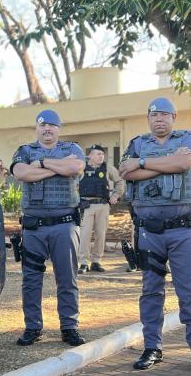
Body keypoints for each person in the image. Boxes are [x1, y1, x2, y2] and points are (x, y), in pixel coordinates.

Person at [118, 97, 191, 376]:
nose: (159, 119)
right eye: (154, 115)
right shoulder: (137, 143)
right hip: (149, 232)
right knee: (151, 291)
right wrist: (163, 162)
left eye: (164, 114)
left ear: (174, 117)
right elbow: (125, 169)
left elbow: (187, 163)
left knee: (189, 292)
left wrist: (144, 165)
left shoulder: (188, 138)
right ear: (148, 118)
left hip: (182, 230)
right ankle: (152, 347)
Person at [11, 109, 87, 347]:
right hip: (34, 228)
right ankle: (33, 327)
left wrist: (42, 164)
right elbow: (21, 173)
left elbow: (75, 168)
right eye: (43, 126)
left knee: (67, 279)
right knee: (31, 280)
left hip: (64, 226)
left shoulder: (72, 149)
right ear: (37, 128)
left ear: (58, 128)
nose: (47, 129)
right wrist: (57, 168)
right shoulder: (24, 151)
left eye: (52, 126)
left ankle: (69, 327)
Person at [78, 144, 125, 273]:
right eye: (98, 154)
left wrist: (116, 195)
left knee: (101, 234)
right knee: (85, 234)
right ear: (90, 155)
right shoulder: (81, 167)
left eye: (102, 154)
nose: (101, 156)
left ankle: (96, 262)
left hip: (103, 205)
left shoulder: (107, 167)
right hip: (86, 206)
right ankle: (83, 262)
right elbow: (72, 183)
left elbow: (120, 181)